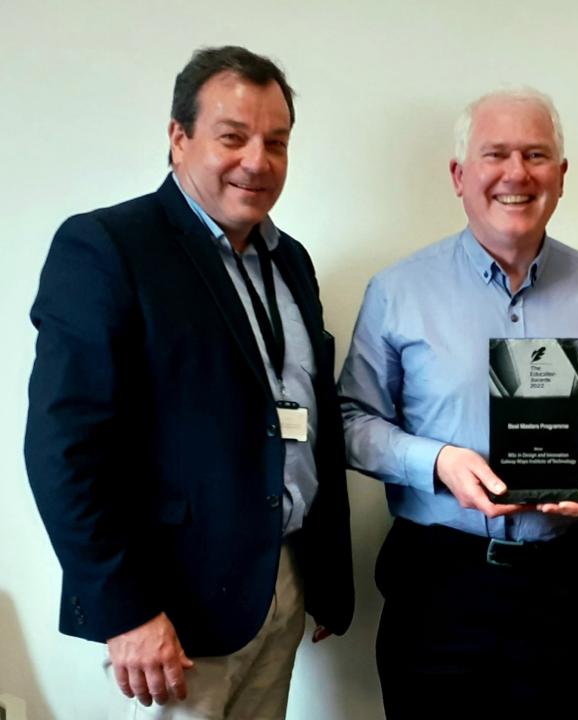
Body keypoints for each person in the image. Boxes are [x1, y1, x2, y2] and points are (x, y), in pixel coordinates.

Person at [24, 45, 353, 718]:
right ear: (178, 138)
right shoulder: (108, 248)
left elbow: (303, 420)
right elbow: (63, 450)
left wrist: (322, 579)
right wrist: (127, 613)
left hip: (280, 583)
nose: (257, 161)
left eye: (276, 142)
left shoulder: (289, 261)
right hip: (171, 615)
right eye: (232, 137)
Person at [338, 87, 578, 718]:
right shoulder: (398, 291)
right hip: (438, 584)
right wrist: (436, 462)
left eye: (536, 154)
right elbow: (353, 421)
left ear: (561, 177)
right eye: (496, 154)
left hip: (566, 585)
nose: (516, 173)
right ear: (460, 175)